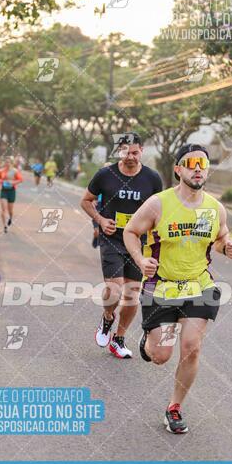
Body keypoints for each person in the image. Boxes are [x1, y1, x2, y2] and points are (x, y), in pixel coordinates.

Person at [124, 144, 232, 433]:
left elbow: (221, 238)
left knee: (191, 347)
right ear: (178, 169)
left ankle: (174, 408)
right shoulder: (158, 204)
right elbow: (130, 231)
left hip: (199, 285)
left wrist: (228, 247)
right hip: (160, 286)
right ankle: (149, 344)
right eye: (191, 163)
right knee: (161, 356)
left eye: (203, 162)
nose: (198, 168)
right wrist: (140, 259)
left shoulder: (215, 209)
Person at [80, 133, 163, 359]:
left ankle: (119, 339)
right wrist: (101, 220)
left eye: (135, 152)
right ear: (119, 152)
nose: (130, 157)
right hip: (112, 239)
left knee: (132, 296)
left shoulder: (152, 179)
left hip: (138, 243)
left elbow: (160, 212)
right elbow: (85, 200)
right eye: (126, 152)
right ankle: (108, 317)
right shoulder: (105, 175)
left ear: (141, 151)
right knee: (114, 290)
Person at [0, 157, 23, 233]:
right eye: (6, 162)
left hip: (12, 191)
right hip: (4, 191)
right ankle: (5, 226)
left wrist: (13, 182)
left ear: (11, 163)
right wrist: (0, 183)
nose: (7, 164)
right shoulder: (1, 171)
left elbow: (21, 179)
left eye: (9, 162)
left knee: (10, 210)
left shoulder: (15, 171)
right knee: (3, 209)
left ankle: (10, 218)